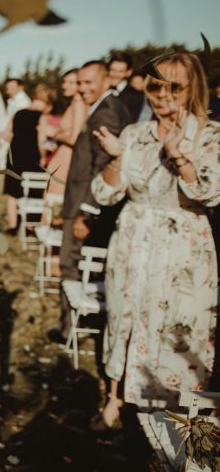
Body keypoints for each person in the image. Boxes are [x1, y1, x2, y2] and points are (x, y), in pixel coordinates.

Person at [91, 52, 218, 423]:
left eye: (174, 87)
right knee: (123, 317)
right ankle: (116, 397)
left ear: (193, 88)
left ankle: (177, 411)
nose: (163, 95)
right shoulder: (134, 134)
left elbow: (210, 193)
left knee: (181, 325)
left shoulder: (210, 135)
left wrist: (179, 156)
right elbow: (104, 194)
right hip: (132, 240)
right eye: (155, 86)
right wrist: (117, 158)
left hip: (183, 248)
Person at [49, 60, 131, 345]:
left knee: (70, 265)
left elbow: (103, 165)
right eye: (79, 83)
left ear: (107, 79)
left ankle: (67, 330)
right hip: (85, 202)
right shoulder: (108, 106)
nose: (82, 89)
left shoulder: (105, 113)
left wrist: (86, 212)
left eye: (88, 82)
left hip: (86, 204)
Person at [2, 84, 56, 232]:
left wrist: (18, 140)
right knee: (34, 190)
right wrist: (44, 157)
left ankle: (13, 225)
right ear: (48, 103)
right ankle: (31, 225)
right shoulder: (42, 117)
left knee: (13, 191)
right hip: (32, 158)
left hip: (14, 155)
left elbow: (6, 134)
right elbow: (42, 141)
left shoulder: (18, 113)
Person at [46, 69, 86, 197]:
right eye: (64, 82)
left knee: (55, 202)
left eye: (71, 82)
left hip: (67, 158)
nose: (64, 86)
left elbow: (74, 139)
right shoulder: (75, 102)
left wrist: (55, 134)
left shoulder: (78, 102)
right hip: (63, 156)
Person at [108, 53, 144, 122]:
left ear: (128, 72)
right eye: (112, 70)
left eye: (120, 71)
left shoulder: (136, 96)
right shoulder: (103, 91)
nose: (115, 75)